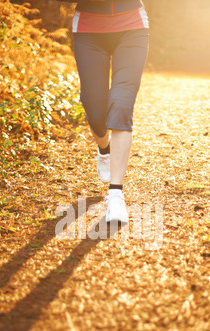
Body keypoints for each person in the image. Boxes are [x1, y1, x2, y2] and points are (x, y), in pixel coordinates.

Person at [60, 0, 149, 222]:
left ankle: (115, 194)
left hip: (132, 27)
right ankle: (104, 149)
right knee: (95, 108)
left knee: (121, 103)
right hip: (88, 31)